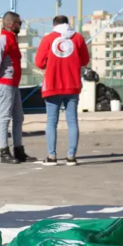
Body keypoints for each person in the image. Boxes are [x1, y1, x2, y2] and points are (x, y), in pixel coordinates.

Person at [35, 15, 91, 166]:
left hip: (52, 85)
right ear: (68, 24)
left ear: (54, 25)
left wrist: (51, 61)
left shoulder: (47, 39)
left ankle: (52, 156)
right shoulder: (77, 38)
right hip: (72, 84)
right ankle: (71, 156)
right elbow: (85, 60)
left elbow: (39, 62)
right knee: (72, 121)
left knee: (51, 121)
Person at [0, 11, 36, 165]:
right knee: (4, 118)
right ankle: (4, 152)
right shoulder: (3, 38)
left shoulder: (11, 38)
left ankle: (18, 150)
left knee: (18, 117)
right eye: (18, 23)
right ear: (10, 24)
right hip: (5, 83)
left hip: (13, 84)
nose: (20, 26)